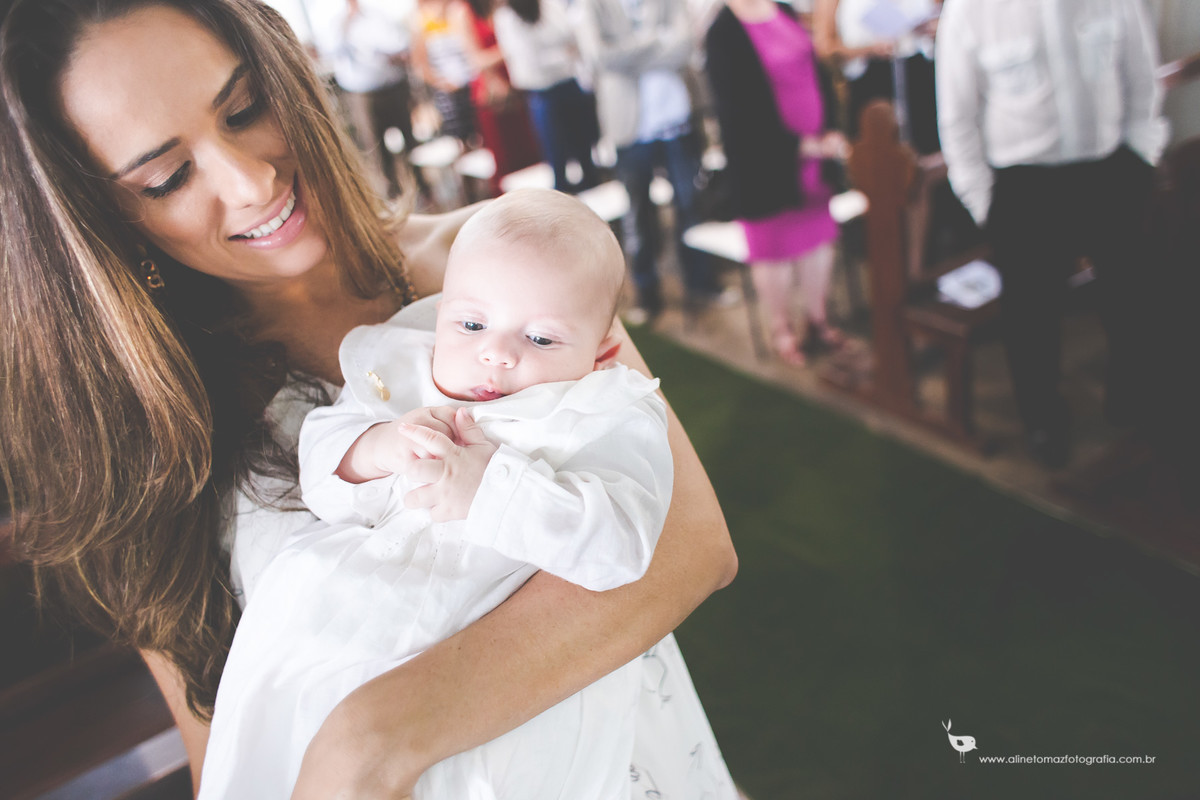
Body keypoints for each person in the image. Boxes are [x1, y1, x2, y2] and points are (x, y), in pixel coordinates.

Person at [0, 2, 738, 798]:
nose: (250, 182)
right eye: (166, 176)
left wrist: (375, 735)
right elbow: (222, 723)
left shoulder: (509, 267)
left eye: (245, 108)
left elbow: (689, 544)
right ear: (108, 221)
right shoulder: (151, 440)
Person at [199, 189, 695, 798]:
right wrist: (376, 448)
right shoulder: (404, 375)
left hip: (506, 670)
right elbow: (324, 471)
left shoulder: (598, 416)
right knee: (279, 728)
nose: (496, 352)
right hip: (346, 618)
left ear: (601, 355)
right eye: (471, 324)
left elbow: (622, 547)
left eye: (541, 340)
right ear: (440, 318)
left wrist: (492, 491)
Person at [936, 0, 1167, 467]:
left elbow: (1143, 80)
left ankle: (1131, 398)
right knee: (1031, 315)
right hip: (1026, 187)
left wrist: (1141, 158)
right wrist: (985, 202)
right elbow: (957, 118)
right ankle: (1043, 420)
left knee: (1129, 294)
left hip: (1108, 170)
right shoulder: (971, 11)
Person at [706, 0, 847, 365]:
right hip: (766, 165)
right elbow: (737, 110)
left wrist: (829, 130)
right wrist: (799, 145)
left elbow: (814, 70)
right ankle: (781, 329)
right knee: (775, 251)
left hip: (816, 157)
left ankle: (818, 320)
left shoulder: (782, 9)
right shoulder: (723, 31)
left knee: (818, 239)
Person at [577, 0, 729, 322]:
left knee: (691, 204)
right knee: (638, 213)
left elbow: (684, 46)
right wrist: (657, 42)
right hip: (630, 128)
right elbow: (600, 57)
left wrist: (630, 52)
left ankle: (701, 281)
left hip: (676, 120)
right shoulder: (594, 6)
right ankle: (647, 293)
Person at [310, 0, 424, 200]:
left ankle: (422, 187)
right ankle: (393, 195)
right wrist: (345, 22)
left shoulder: (376, 13)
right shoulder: (330, 18)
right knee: (376, 147)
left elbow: (398, 41)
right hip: (364, 94)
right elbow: (328, 51)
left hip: (392, 86)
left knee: (410, 140)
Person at [493, 0, 601, 193]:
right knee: (558, 163)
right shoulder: (506, 18)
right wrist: (564, 55)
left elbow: (572, 36)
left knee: (586, 155)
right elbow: (528, 62)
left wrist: (560, 54)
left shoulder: (550, 4)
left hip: (570, 85)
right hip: (542, 94)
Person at [812, 0, 939, 153]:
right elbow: (825, 47)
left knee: (927, 146)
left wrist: (934, 27)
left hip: (919, 75)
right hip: (870, 81)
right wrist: (870, 48)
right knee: (877, 157)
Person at [411, 0, 479, 144]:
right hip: (447, 94)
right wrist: (442, 83)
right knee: (459, 141)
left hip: (472, 84)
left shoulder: (458, 11)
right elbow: (419, 64)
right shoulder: (420, 21)